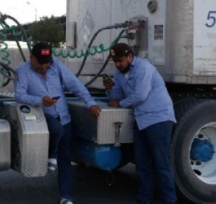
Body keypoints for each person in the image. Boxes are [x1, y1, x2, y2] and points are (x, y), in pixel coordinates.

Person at [14, 42, 101, 204]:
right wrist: (40, 100)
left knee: (65, 159)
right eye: (41, 62)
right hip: (43, 116)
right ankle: (50, 155)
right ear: (31, 57)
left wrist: (90, 103)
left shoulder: (56, 66)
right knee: (57, 130)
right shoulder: (22, 71)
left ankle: (66, 197)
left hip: (63, 116)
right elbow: (19, 95)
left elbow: (75, 84)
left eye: (47, 62)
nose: (45, 66)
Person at [103, 43, 177, 204]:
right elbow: (115, 96)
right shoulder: (119, 73)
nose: (117, 64)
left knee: (161, 164)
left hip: (158, 119)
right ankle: (144, 200)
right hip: (141, 120)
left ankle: (169, 200)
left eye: (120, 60)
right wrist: (109, 90)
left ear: (130, 56)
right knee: (142, 164)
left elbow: (140, 95)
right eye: (115, 61)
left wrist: (120, 104)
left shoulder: (144, 68)